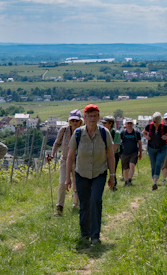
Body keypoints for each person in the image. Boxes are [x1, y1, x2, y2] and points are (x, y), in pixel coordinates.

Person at [66, 104, 116, 246]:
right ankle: (84, 234)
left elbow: (110, 155)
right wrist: (67, 178)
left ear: (99, 117)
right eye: (89, 116)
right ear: (85, 118)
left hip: (99, 173)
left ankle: (95, 236)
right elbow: (70, 157)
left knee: (95, 201)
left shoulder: (104, 133)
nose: (92, 119)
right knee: (84, 204)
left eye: (95, 116)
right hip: (81, 173)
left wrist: (112, 175)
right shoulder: (78, 133)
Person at [46, 110, 82, 216]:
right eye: (72, 120)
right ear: (69, 120)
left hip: (78, 161)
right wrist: (52, 155)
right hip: (65, 159)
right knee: (62, 182)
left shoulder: (83, 131)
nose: (74, 122)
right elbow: (57, 143)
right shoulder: (64, 130)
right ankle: (59, 207)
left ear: (80, 121)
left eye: (76, 120)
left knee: (76, 184)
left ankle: (76, 205)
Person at [143, 112, 167, 191]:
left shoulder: (164, 127)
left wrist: (166, 137)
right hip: (151, 148)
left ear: (159, 121)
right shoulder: (149, 126)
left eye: (156, 122)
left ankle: (155, 182)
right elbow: (143, 132)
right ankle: (154, 179)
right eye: (154, 121)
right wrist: (146, 137)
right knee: (153, 165)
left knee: (158, 163)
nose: (155, 123)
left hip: (162, 148)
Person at [118, 119, 142, 186]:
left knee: (132, 165)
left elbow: (139, 143)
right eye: (128, 123)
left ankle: (129, 179)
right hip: (124, 153)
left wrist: (140, 153)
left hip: (133, 153)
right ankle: (126, 182)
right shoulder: (122, 133)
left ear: (132, 124)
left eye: (130, 123)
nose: (129, 125)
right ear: (125, 124)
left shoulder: (136, 133)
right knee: (125, 168)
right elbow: (119, 142)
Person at [103, 116, 122, 190]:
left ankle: (113, 185)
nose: (103, 124)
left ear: (111, 124)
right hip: (104, 154)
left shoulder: (116, 133)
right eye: (103, 123)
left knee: (112, 170)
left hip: (114, 155)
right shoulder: (102, 132)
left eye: (105, 123)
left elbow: (114, 148)